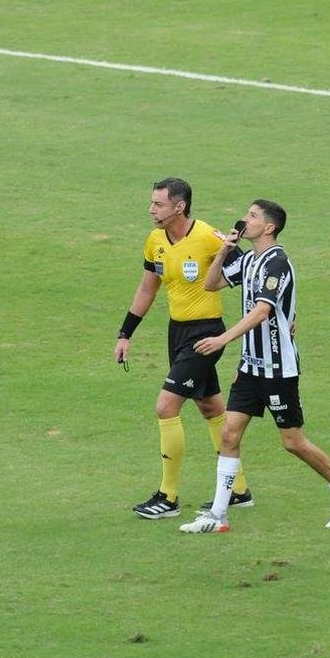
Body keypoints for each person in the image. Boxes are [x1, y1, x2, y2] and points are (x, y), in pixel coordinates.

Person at [179, 199, 330, 533]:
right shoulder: (249, 260)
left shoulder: (277, 264)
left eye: (252, 216)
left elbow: (262, 311)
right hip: (250, 369)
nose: (244, 219)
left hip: (278, 369)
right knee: (229, 434)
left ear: (269, 227)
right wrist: (224, 251)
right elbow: (210, 284)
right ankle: (218, 516)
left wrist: (223, 340)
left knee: (293, 442)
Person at [114, 178, 252, 519]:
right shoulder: (154, 241)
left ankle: (168, 497)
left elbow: (249, 274)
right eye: (151, 203)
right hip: (177, 333)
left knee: (165, 406)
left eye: (158, 204)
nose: (151, 210)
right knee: (209, 406)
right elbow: (148, 290)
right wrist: (125, 333)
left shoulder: (208, 236)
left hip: (205, 335)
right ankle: (238, 491)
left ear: (180, 207)